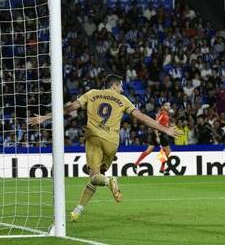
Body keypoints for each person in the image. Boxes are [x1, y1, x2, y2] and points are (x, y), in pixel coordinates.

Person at [28, 74, 181, 222]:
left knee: (96, 176)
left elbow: (70, 108)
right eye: (120, 85)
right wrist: (165, 129)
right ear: (113, 85)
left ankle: (109, 181)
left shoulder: (92, 93)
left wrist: (45, 118)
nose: (122, 88)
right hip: (112, 142)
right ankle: (78, 210)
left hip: (94, 137)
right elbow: (142, 117)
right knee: (95, 177)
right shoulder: (123, 100)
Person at [134, 102, 172, 173]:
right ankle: (162, 167)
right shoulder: (162, 113)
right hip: (159, 133)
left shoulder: (166, 114)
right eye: (166, 105)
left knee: (149, 150)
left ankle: (136, 163)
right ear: (163, 106)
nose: (168, 106)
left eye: (169, 105)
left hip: (159, 133)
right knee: (167, 151)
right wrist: (157, 136)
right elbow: (155, 124)